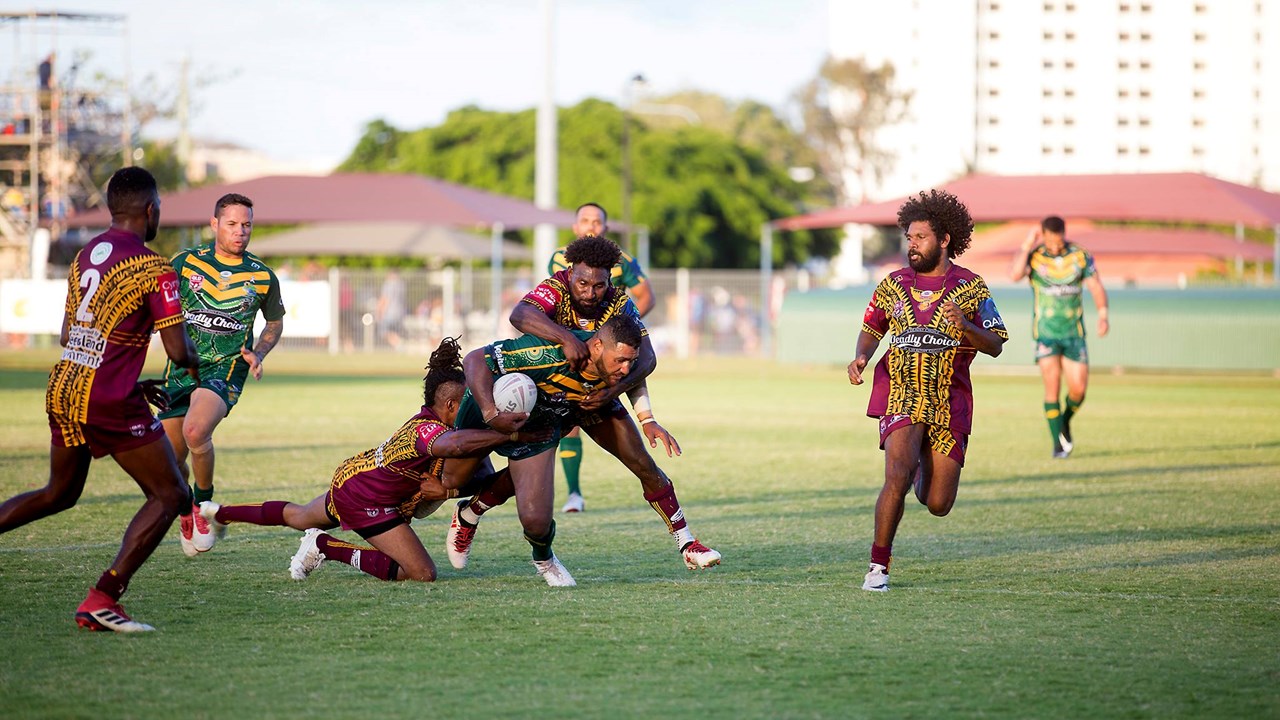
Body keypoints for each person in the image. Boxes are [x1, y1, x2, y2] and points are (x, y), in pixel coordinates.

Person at [444, 235, 721, 576]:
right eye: (583, 283)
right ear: (571, 273)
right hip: (538, 394)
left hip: (592, 396)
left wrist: (619, 397)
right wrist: (566, 338)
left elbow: (644, 358)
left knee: (643, 463)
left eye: (599, 285)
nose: (590, 293)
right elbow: (520, 314)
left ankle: (687, 543)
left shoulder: (620, 303)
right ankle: (469, 512)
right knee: (463, 481)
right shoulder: (556, 288)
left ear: (610, 280)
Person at [0, 166, 201, 632]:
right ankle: (103, 597)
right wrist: (194, 363)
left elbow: (73, 332)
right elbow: (177, 349)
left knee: (59, 493)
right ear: (150, 211)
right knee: (171, 493)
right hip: (105, 398)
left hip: (67, 385)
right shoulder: (154, 267)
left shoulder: (88, 255)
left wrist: (127, 379)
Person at [193, 338, 546, 583]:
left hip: (355, 478)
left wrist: (454, 494)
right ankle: (324, 546)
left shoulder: (439, 424)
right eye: (466, 402)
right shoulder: (425, 430)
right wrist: (512, 435)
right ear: (451, 406)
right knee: (421, 573)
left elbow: (473, 470)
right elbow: (453, 447)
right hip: (368, 500)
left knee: (299, 516)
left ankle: (217, 512)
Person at [847, 189, 1008, 593]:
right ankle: (877, 568)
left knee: (938, 504)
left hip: (949, 400)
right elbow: (872, 328)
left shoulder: (971, 287)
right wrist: (862, 357)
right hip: (900, 393)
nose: (911, 245)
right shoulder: (893, 283)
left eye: (920, 237)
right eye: (909, 237)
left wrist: (967, 327)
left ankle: (923, 468)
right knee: (895, 477)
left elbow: (996, 344)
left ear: (944, 239)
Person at [442, 314, 651, 586]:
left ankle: (544, 559)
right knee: (452, 481)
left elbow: (647, 364)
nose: (625, 370)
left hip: (538, 425)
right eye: (620, 361)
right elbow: (474, 359)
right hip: (487, 411)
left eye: (630, 362)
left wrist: (648, 419)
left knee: (536, 521)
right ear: (597, 346)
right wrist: (491, 414)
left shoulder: (611, 372)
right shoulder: (545, 353)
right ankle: (468, 504)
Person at [159, 193, 285, 557]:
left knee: (197, 430)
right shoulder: (184, 263)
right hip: (180, 368)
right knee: (168, 465)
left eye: (246, 225)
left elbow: (274, 323)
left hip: (226, 368)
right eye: (232, 224)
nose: (240, 231)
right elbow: (159, 304)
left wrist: (258, 352)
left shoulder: (262, 276)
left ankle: (203, 504)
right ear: (214, 224)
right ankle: (185, 508)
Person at [547, 202, 656, 512]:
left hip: (608, 353)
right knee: (568, 421)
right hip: (575, 347)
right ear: (575, 227)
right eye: (585, 220)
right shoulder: (559, 259)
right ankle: (574, 494)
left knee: (627, 387)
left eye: (597, 220)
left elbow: (647, 295)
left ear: (607, 228)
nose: (591, 225)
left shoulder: (625, 262)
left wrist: (623, 330)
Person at [1009, 216, 1109, 459]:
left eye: (1058, 240)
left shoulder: (1079, 256)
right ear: (1043, 236)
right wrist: (1027, 243)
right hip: (1046, 335)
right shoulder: (1035, 256)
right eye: (1049, 240)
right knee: (1052, 387)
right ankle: (1057, 444)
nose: (1054, 246)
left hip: (1074, 334)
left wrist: (1103, 314)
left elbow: (1095, 285)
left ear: (1064, 234)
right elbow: (1014, 275)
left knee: (1079, 391)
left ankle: (1063, 422)